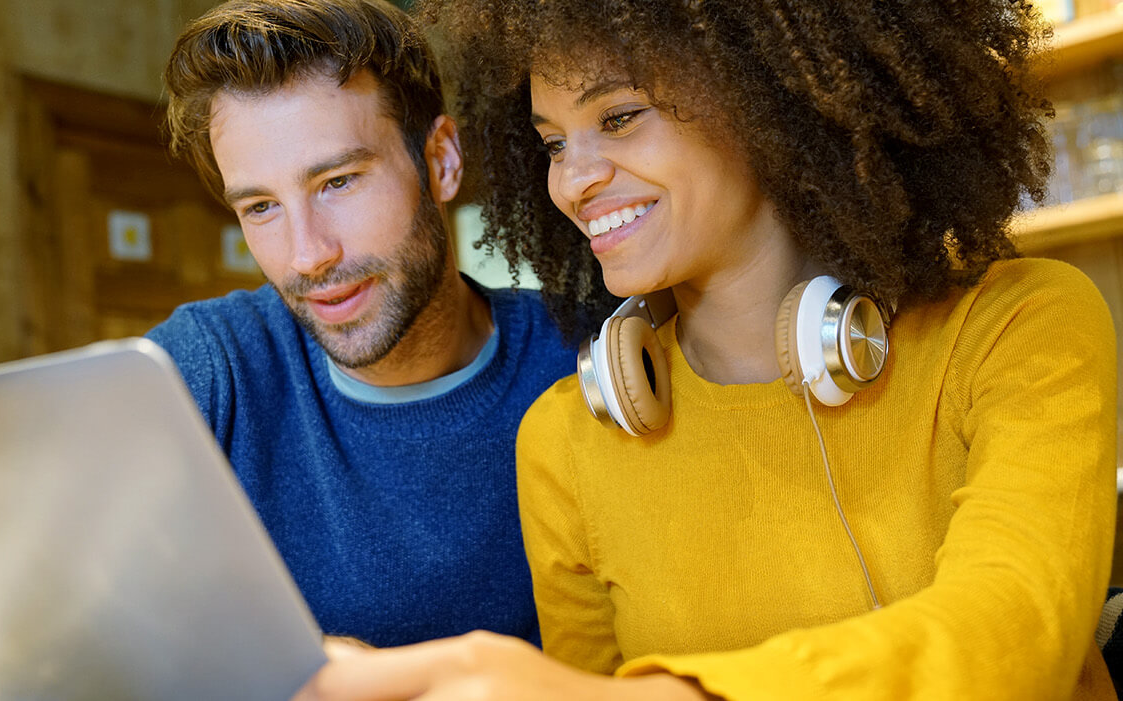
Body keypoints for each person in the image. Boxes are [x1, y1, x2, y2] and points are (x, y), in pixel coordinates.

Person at [289, 0, 1119, 698]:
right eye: (552, 142)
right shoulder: (568, 441)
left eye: (619, 117)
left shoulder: (1020, 328)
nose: (573, 180)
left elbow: (1017, 630)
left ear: (775, 101)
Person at [147, 0, 576, 649]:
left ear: (442, 160)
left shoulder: (585, 353)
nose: (307, 254)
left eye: (339, 181)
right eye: (261, 206)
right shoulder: (213, 366)